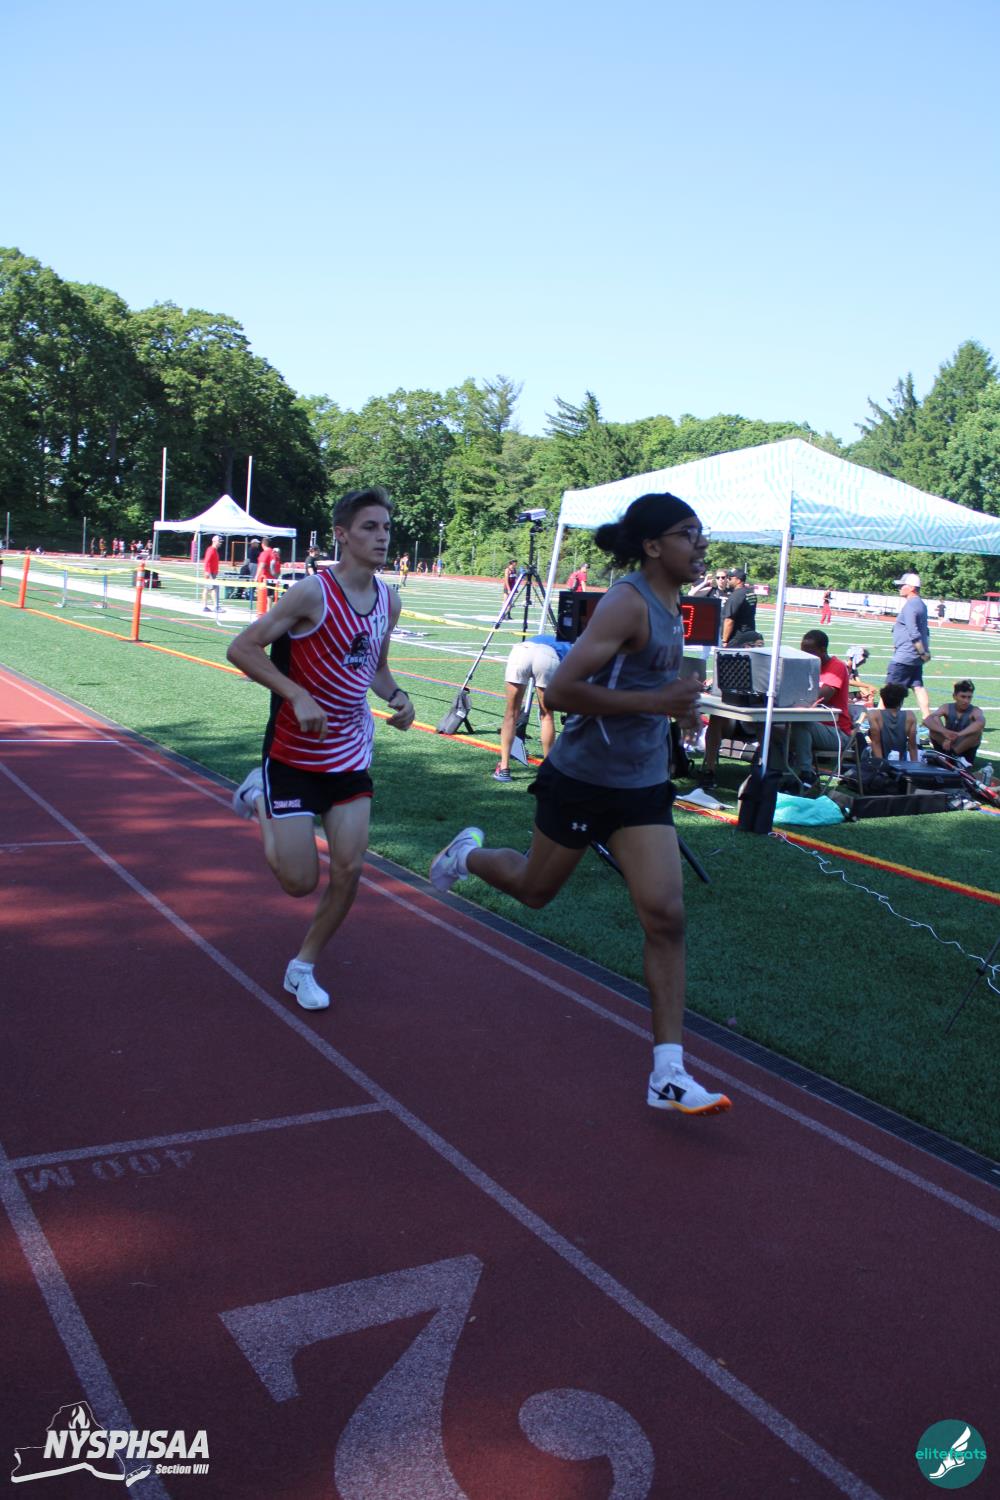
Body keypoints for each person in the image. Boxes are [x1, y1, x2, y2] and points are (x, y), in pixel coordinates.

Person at [430, 491, 730, 1117]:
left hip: (641, 785)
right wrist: (658, 702)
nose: (701, 544)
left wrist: (680, 704)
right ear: (653, 546)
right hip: (583, 778)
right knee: (535, 890)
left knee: (666, 916)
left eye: (701, 532)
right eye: (688, 533)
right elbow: (561, 692)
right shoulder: (627, 602)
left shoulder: (677, 605)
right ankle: (467, 856)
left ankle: (668, 1072)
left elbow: (653, 688)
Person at [227, 486, 415, 1011]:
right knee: (298, 882)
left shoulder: (390, 600)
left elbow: (374, 667)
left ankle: (303, 966)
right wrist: (296, 693)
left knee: (349, 869)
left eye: (386, 527)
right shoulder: (313, 593)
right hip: (293, 754)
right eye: (369, 527)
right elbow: (242, 648)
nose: (381, 537)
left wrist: (398, 697)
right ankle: (259, 796)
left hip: (350, 754)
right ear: (342, 535)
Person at [492, 634, 571, 782]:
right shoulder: (574, 646)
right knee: (547, 716)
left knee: (511, 713)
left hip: (523, 651)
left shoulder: (552, 638)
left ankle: (504, 769)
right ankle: (549, 772)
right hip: (548, 657)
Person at [696, 628, 765, 789]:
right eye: (758, 645)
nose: (762, 649)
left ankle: (761, 771)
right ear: (746, 646)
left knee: (766, 724)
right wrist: (711, 685)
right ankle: (709, 770)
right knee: (717, 717)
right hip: (734, 721)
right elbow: (715, 690)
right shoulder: (729, 666)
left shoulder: (767, 669)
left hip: (756, 722)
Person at [788, 629, 852, 786]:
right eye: (803, 651)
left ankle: (806, 773)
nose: (805, 655)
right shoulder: (807, 666)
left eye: (810, 651)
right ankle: (776, 770)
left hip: (836, 731)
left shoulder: (837, 666)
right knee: (774, 726)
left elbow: (822, 696)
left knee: (801, 724)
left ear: (823, 650)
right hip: (818, 727)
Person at [887, 571, 931, 718]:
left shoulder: (910, 605)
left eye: (902, 585)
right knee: (918, 686)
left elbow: (913, 632)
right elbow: (925, 631)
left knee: (890, 689)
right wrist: (923, 652)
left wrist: (922, 652)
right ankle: (927, 719)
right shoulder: (921, 604)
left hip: (906, 655)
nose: (899, 588)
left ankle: (880, 718)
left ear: (911, 587)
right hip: (914, 655)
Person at [923, 680, 985, 764]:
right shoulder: (946, 707)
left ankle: (951, 756)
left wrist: (957, 735)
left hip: (963, 748)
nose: (966, 701)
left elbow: (981, 723)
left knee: (977, 732)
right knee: (934, 719)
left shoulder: (975, 710)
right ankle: (944, 756)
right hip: (946, 743)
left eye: (969, 697)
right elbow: (926, 720)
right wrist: (945, 732)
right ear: (954, 696)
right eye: (963, 697)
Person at [867, 682, 918, 760]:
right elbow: (912, 746)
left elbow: (876, 742)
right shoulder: (910, 716)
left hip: (880, 760)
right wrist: (915, 765)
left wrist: (881, 764)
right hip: (901, 761)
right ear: (901, 701)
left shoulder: (874, 715)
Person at [720, 567, 757, 643]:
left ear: (738, 580)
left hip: (737, 638)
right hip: (749, 634)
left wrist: (724, 641)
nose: (727, 580)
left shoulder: (736, 596)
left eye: (730, 578)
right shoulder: (750, 593)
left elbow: (729, 620)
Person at [256, 537, 282, 604]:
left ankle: (266, 610)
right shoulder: (273, 553)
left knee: (264, 596)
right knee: (270, 596)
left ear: (263, 544)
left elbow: (262, 565)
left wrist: (256, 576)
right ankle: (269, 609)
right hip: (273, 577)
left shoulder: (265, 553)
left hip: (265, 577)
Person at [202, 534, 222, 612]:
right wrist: (207, 571)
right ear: (214, 541)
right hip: (210, 572)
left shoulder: (214, 550)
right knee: (214, 589)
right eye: (219, 541)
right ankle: (216, 607)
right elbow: (206, 561)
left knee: (206, 589)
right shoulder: (211, 550)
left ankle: (205, 606)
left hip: (212, 572)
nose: (220, 543)